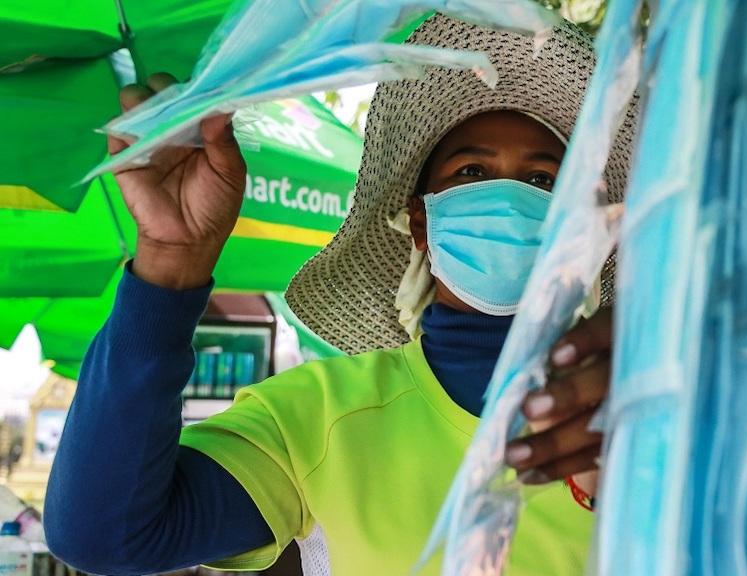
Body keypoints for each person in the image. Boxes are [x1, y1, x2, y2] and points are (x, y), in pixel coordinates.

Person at [43, 14, 635, 575]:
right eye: (471, 173)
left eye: (541, 180)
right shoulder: (319, 415)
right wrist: (172, 262)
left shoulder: (650, 408)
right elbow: (106, 535)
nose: (507, 198)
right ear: (422, 224)